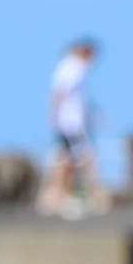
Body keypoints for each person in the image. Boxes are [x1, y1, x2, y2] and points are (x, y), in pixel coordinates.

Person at [42, 37, 106, 215]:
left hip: (73, 123)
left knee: (67, 159)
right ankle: (86, 196)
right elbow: (58, 94)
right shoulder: (71, 67)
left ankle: (59, 196)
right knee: (83, 157)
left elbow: (81, 100)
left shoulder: (76, 68)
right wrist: (54, 118)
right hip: (70, 123)